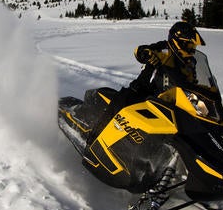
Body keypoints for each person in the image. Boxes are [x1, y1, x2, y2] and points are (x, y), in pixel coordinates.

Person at [85, 21, 205, 151]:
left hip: (171, 103)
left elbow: (193, 83)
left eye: (193, 47)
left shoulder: (190, 63)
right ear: (178, 41)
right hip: (142, 93)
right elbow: (140, 51)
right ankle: (93, 141)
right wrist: (146, 53)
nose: (192, 50)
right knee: (120, 102)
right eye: (189, 45)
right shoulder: (163, 49)